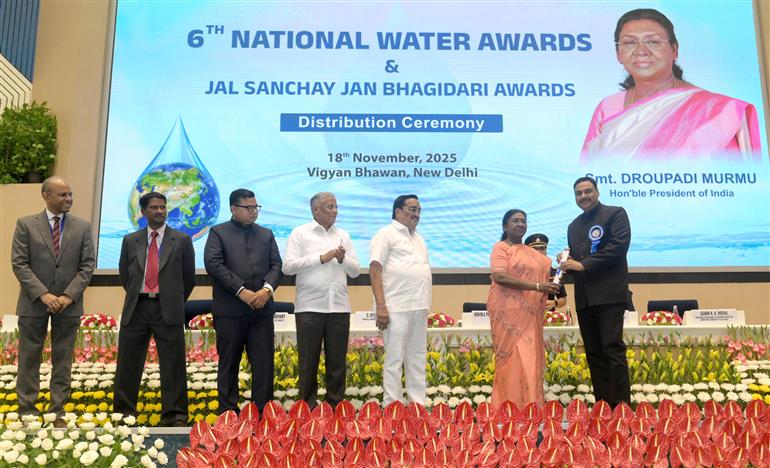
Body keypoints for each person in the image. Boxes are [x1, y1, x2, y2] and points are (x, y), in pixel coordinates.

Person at [582, 8, 761, 161]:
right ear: (618, 54)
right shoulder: (608, 107)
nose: (641, 51)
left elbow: (739, 182)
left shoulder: (719, 111)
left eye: (652, 41)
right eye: (629, 43)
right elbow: (589, 175)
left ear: (674, 50)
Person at [11, 177, 95, 427]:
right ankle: (27, 411)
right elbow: (19, 263)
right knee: (28, 358)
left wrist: (68, 295)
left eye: (70, 194)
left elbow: (87, 265)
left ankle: (57, 411)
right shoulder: (26, 224)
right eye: (62, 195)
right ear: (46, 195)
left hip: (69, 305)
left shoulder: (82, 226)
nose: (68, 199)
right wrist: (44, 294)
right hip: (33, 303)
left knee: (63, 358)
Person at [113, 192, 195, 426]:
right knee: (128, 364)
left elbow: (188, 278)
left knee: (173, 364)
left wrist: (172, 298)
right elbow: (125, 275)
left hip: (167, 308)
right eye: (154, 208)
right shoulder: (131, 240)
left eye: (163, 207)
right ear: (143, 211)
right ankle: (124, 415)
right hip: (137, 307)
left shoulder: (181, 240)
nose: (159, 211)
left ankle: (175, 416)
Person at [204, 189, 282, 412]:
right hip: (230, 312)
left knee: (264, 365)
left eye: (256, 207)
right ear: (233, 209)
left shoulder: (266, 234)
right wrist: (242, 291)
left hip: (261, 311)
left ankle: (262, 413)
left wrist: (266, 291)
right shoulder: (218, 232)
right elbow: (214, 265)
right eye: (249, 208)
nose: (254, 212)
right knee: (229, 365)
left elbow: (277, 265)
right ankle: (228, 414)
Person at [282, 192, 359, 408]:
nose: (335, 211)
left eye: (336, 207)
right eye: (329, 207)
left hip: (339, 307)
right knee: (308, 362)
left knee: (337, 363)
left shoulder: (343, 234)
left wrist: (342, 258)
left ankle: (335, 408)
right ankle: (307, 408)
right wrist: (320, 258)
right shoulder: (300, 233)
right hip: (309, 307)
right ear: (315, 210)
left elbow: (354, 271)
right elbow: (288, 267)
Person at [561, 176, 631, 407]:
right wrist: (567, 264)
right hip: (584, 298)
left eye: (588, 191)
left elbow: (618, 247)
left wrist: (582, 265)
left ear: (597, 192)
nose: (584, 196)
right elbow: (578, 262)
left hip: (609, 295)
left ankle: (621, 409)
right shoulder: (573, 225)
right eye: (579, 193)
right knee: (594, 353)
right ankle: (603, 407)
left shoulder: (615, 213)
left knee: (612, 350)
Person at [487, 211, 560, 407]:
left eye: (523, 221)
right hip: (507, 314)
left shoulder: (531, 253)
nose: (520, 224)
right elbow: (499, 277)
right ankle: (506, 408)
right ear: (505, 226)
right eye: (515, 221)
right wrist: (537, 287)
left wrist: (562, 262)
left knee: (530, 359)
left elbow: (548, 266)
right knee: (511, 360)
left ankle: (530, 408)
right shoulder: (500, 248)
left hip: (530, 315)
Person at [370, 194, 431, 406]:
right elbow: (375, 269)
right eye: (412, 209)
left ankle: (417, 407)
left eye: (418, 210)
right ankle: (392, 409)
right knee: (394, 360)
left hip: (419, 306)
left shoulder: (419, 239)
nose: (416, 214)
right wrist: (381, 306)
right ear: (397, 211)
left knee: (417, 359)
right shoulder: (385, 234)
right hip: (395, 307)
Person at [524, 233, 567, 311]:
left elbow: (563, 299)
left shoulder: (555, 273)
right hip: (525, 314)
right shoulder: (522, 272)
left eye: (542, 248)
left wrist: (554, 303)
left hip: (548, 317)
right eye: (535, 249)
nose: (539, 252)